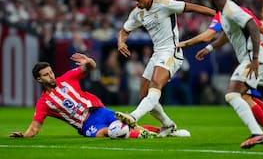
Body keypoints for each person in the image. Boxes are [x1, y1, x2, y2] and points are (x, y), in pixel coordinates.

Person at [177, 0, 263, 148]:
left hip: (253, 59)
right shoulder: (226, 12)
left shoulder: (231, 9)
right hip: (257, 59)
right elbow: (228, 35)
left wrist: (256, 59)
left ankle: (257, 133)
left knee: (232, 94)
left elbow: (255, 28)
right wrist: (210, 48)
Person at [115, 0, 216, 136]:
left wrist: (218, 15)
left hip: (172, 52)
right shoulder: (137, 13)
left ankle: (133, 116)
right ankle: (168, 125)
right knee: (144, 96)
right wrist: (121, 41)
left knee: (155, 85)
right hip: (157, 54)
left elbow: (192, 7)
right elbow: (124, 30)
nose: (136, 2)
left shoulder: (165, 4)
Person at [8, 53, 156, 139]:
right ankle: (134, 132)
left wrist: (89, 61)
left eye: (51, 72)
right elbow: (34, 128)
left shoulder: (66, 78)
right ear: (39, 79)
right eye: (46, 75)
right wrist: (23, 135)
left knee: (132, 126)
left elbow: (91, 67)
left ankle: (161, 131)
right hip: (86, 125)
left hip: (97, 111)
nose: (51, 76)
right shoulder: (44, 103)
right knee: (108, 133)